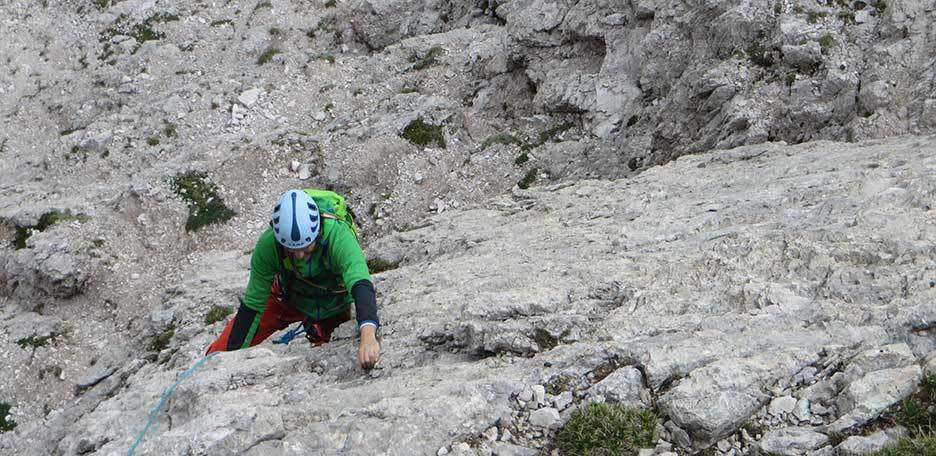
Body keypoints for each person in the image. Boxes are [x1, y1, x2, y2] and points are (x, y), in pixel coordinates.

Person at [206, 189, 380, 369]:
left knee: (329, 355)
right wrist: (224, 361)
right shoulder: (269, 244)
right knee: (217, 354)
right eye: (291, 249)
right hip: (287, 297)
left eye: (306, 247)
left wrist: (368, 336)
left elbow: (360, 283)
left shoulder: (338, 236)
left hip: (332, 303)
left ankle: (318, 334)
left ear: (318, 232)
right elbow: (253, 305)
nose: (299, 255)